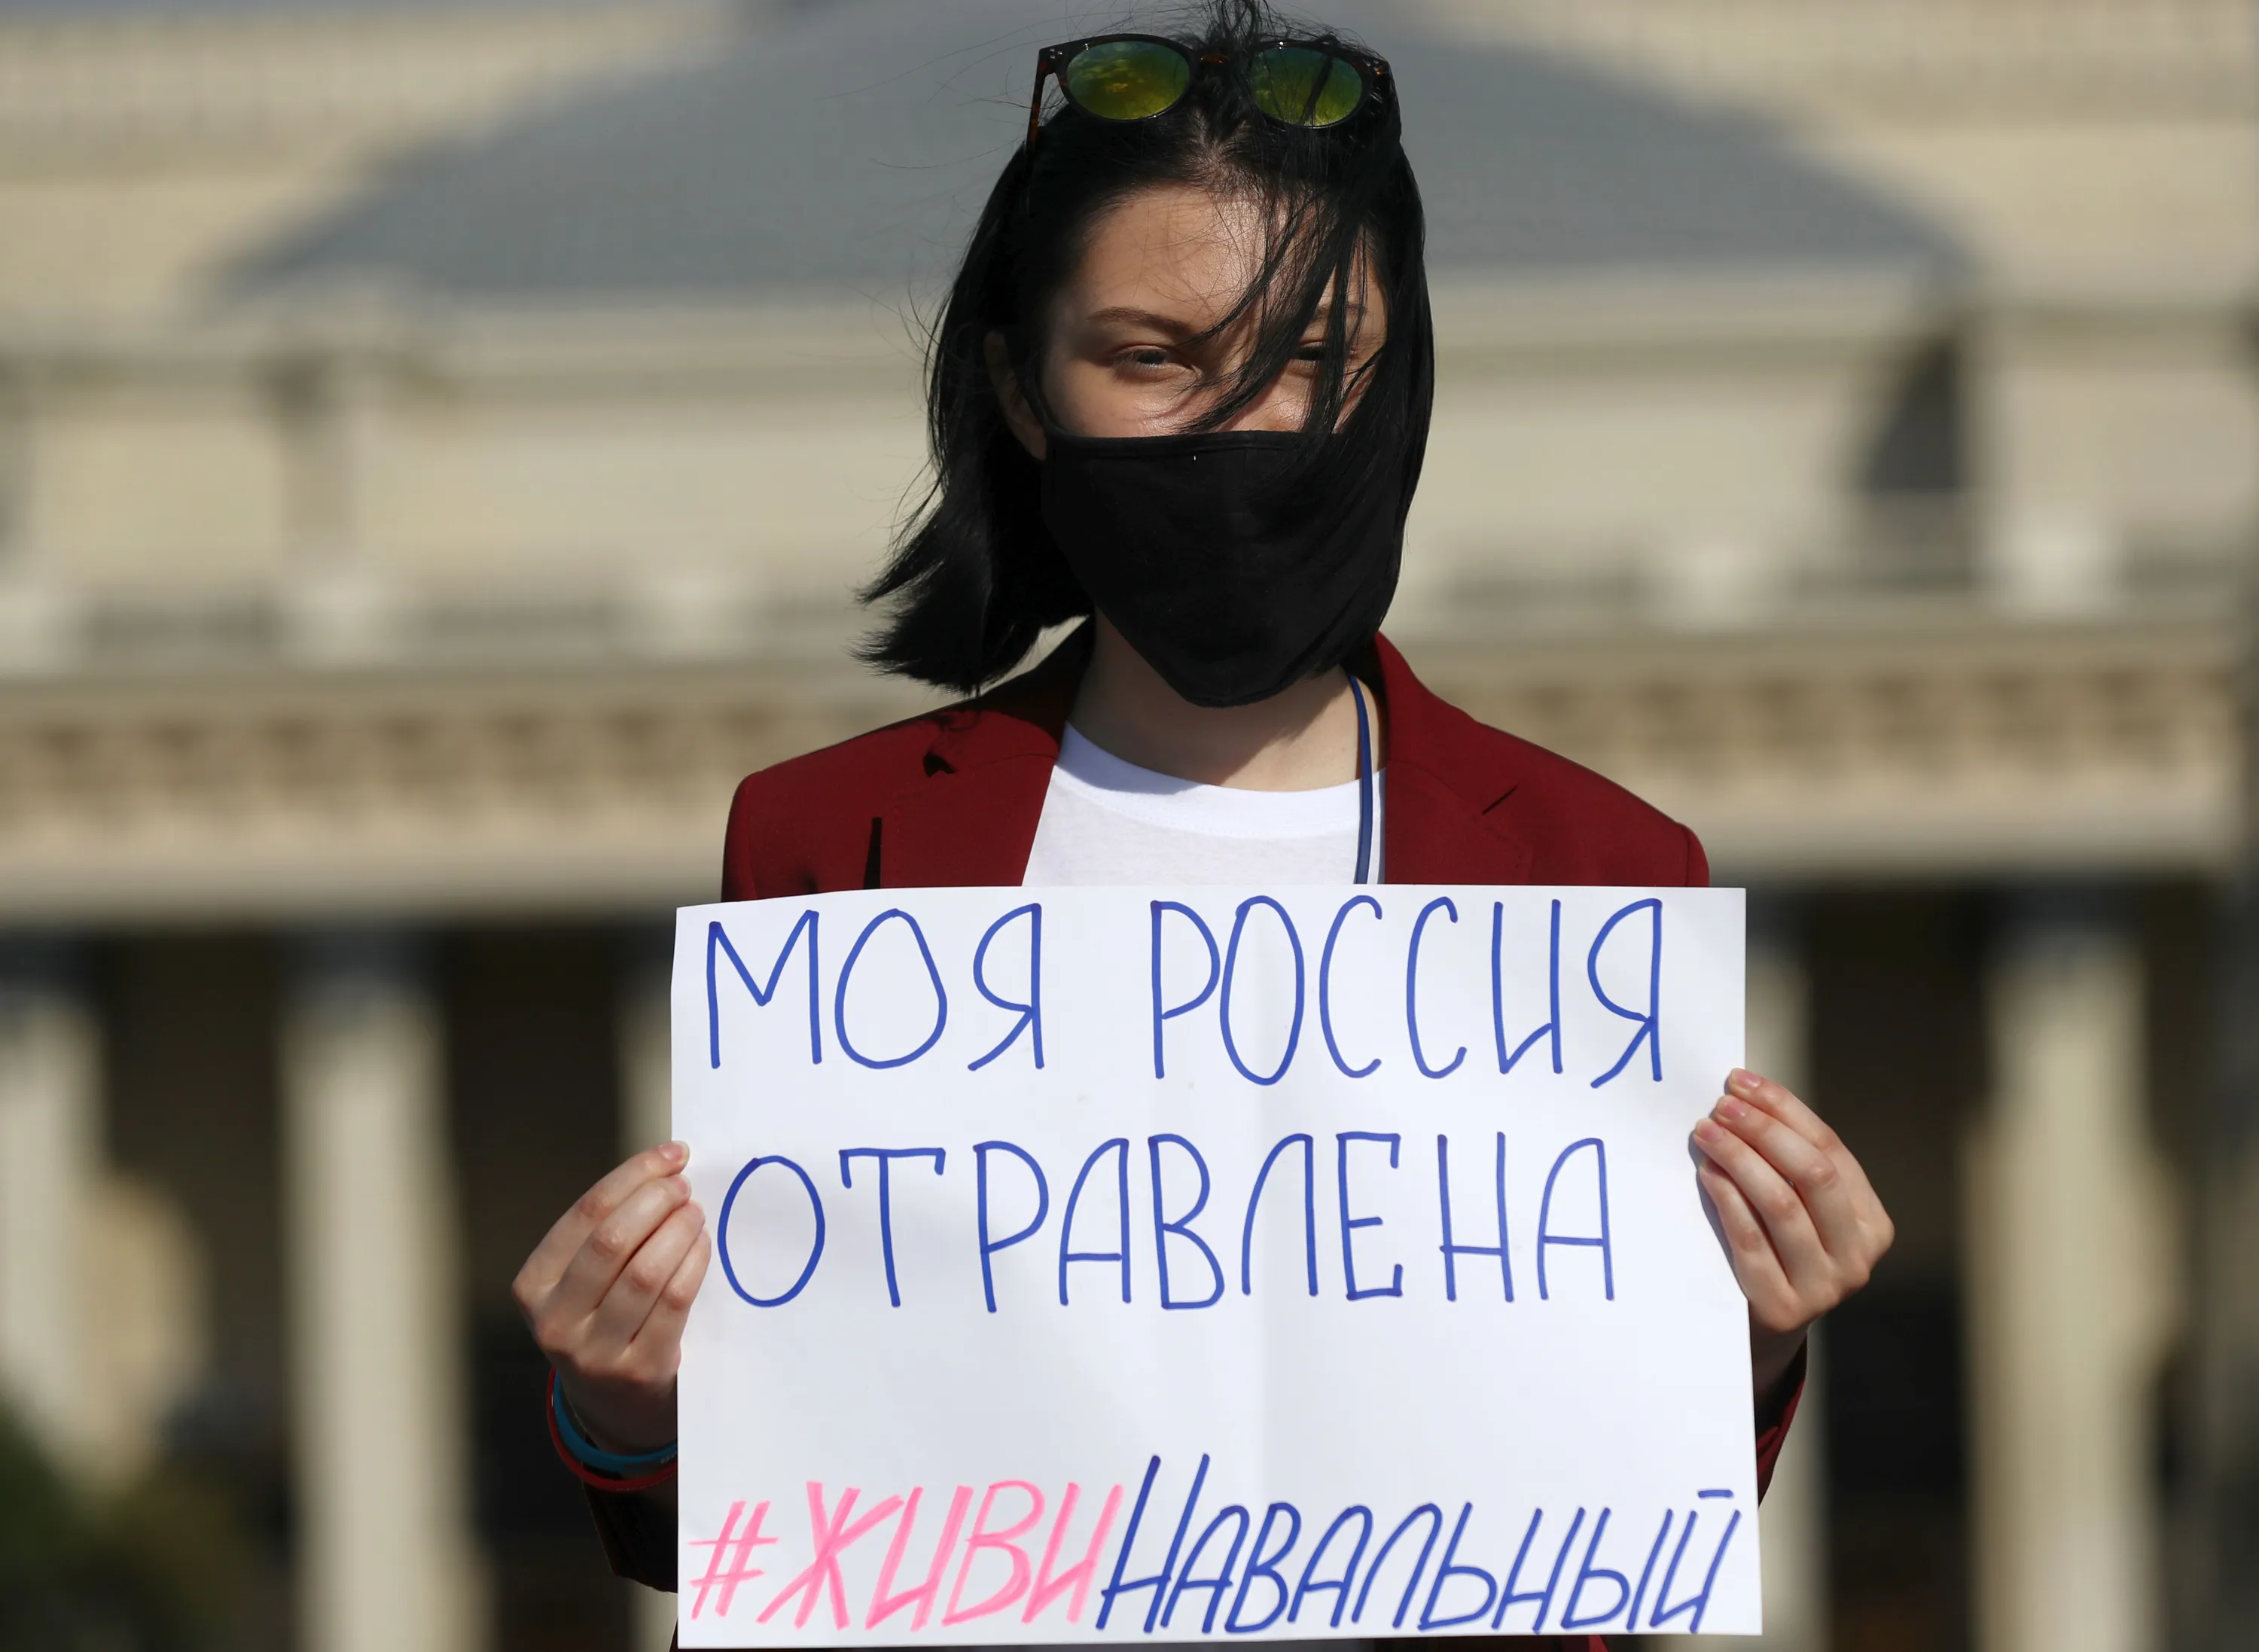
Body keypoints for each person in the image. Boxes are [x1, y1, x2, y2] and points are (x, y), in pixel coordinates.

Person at [512, 5, 1896, 1647]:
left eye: (1311, 358)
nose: (1245, 429)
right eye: (1155, 357)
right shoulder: (828, 842)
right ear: (1026, 389)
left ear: (1400, 377)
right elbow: (793, 1490)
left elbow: (1597, 1508)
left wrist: (1749, 1338)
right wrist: (626, 1394)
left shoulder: (1599, 871)